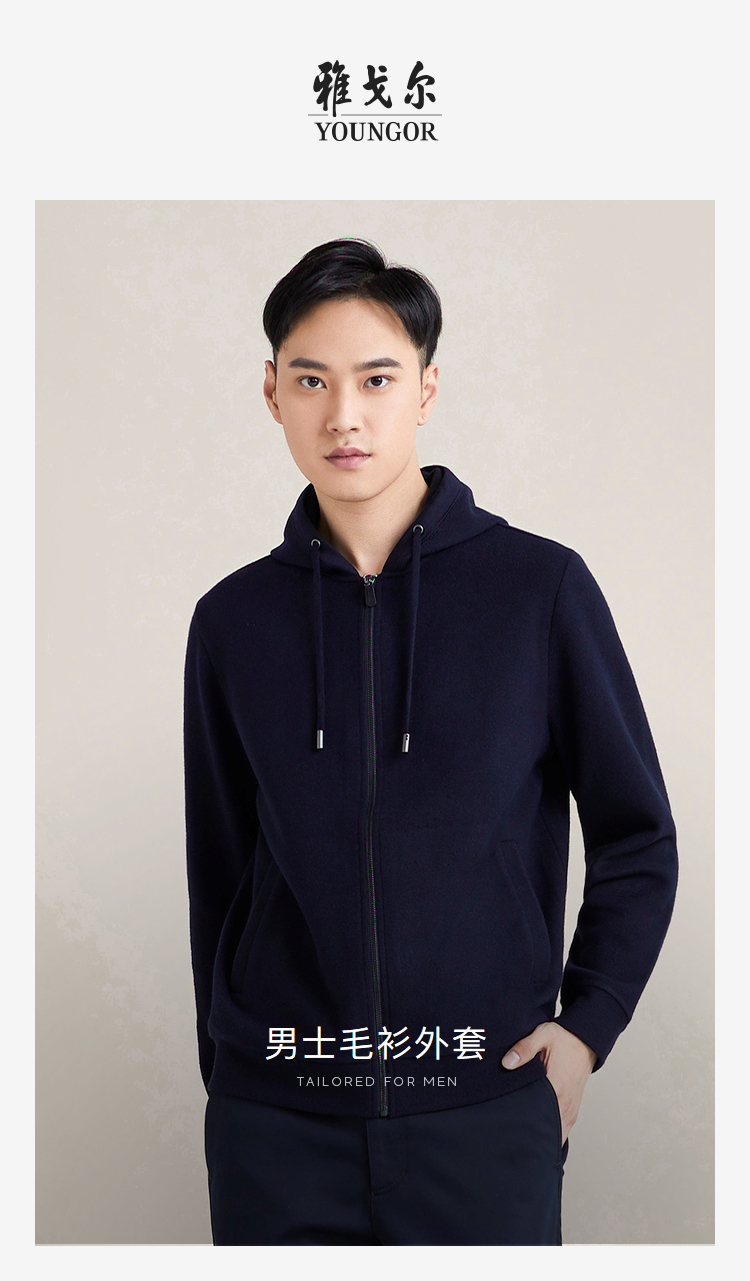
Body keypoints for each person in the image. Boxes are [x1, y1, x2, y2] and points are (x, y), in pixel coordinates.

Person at [183, 238, 679, 1246]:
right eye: (311, 380)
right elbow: (220, 871)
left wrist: (587, 1028)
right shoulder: (233, 621)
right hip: (278, 1125)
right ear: (271, 393)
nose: (344, 415)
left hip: (481, 1110)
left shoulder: (539, 590)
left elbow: (638, 837)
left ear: (427, 389)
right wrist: (233, 1074)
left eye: (377, 379)